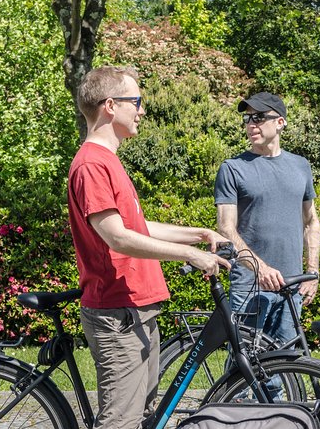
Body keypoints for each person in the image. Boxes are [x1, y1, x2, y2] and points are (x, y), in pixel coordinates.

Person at [68, 66, 230, 428]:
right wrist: (190, 255)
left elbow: (136, 227)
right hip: (118, 313)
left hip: (136, 309)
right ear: (111, 106)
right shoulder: (92, 164)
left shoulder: (108, 160)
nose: (141, 111)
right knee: (120, 422)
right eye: (136, 102)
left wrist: (198, 234)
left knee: (141, 417)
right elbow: (116, 236)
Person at [214, 92, 320, 349]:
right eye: (248, 118)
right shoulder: (233, 167)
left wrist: (312, 273)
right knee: (242, 369)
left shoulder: (300, 166)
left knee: (286, 367)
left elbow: (311, 222)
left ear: (280, 122)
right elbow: (225, 228)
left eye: (260, 117)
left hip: (291, 286)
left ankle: (281, 393)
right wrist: (259, 268)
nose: (252, 124)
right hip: (249, 285)